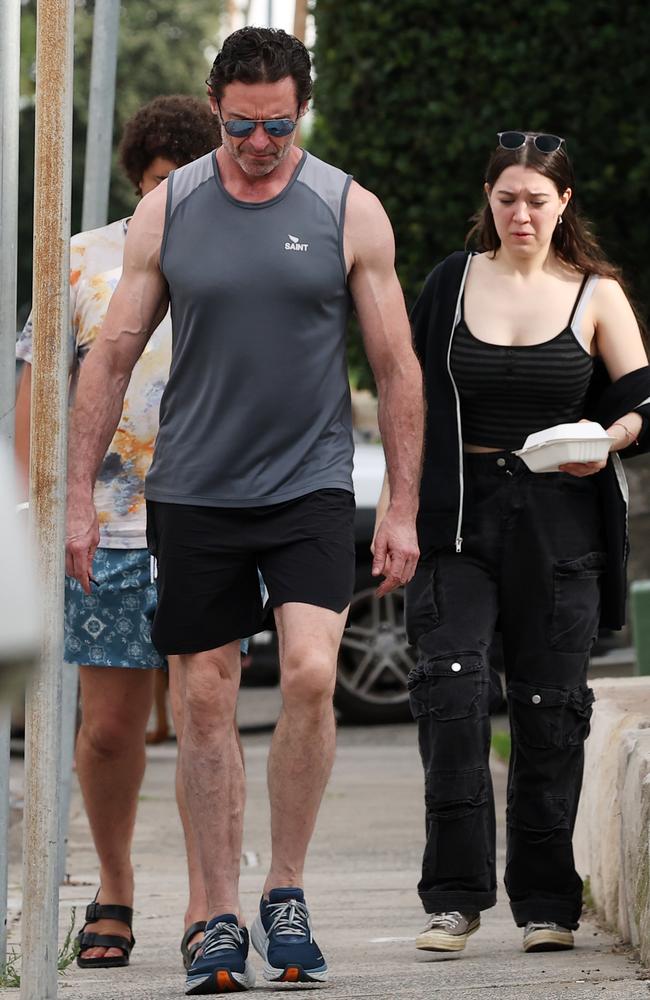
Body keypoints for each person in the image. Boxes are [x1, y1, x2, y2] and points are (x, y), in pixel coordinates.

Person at [64, 26, 423, 995]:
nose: (258, 143)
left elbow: (394, 368)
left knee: (309, 674)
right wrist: (78, 503)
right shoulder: (169, 210)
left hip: (306, 481)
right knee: (208, 699)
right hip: (192, 487)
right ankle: (216, 911)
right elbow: (110, 355)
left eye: (277, 124)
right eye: (237, 124)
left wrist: (401, 503)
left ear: (300, 108)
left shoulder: (348, 208)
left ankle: (286, 887)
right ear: (213, 100)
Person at [389, 130, 650, 957]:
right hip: (460, 513)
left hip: (559, 514)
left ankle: (547, 902)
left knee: (549, 708)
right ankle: (455, 900)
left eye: (538, 199)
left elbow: (645, 399)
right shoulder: (450, 281)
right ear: (489, 200)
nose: (521, 214)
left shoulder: (596, 294)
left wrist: (612, 439)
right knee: (453, 692)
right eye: (507, 198)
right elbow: (405, 392)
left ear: (564, 202)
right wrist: (400, 508)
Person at [15, 94, 222, 971]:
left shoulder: (238, 257)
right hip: (108, 533)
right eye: (155, 188)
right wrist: (31, 510)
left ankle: (212, 904)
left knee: (210, 716)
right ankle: (113, 883)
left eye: (186, 186)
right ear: (135, 183)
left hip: (215, 519)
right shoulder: (81, 260)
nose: (169, 205)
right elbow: (37, 391)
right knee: (108, 729)